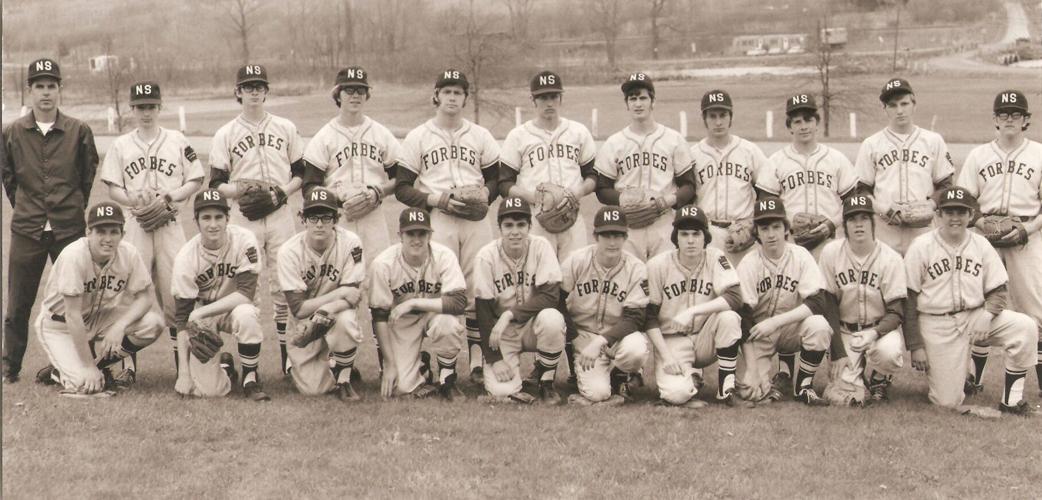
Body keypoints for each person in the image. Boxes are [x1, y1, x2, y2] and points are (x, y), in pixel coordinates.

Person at [395, 69, 500, 384]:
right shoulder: (418, 136)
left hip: (475, 221)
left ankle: (479, 361)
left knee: (480, 286)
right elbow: (402, 187)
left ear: (466, 98)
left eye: (458, 92)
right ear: (436, 96)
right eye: (447, 91)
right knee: (447, 288)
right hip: (439, 219)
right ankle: (444, 361)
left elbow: (497, 179)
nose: (452, 97)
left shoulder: (480, 135)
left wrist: (485, 195)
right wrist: (435, 200)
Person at [1, 58, 99, 383]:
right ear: (29, 91)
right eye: (39, 86)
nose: (46, 93)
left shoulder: (78, 131)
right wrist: (31, 210)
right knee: (18, 303)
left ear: (60, 90)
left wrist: (67, 209)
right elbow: (9, 180)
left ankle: (76, 364)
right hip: (27, 229)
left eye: (51, 86)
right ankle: (9, 367)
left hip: (68, 228)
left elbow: (86, 178)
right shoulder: (12, 132)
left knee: (76, 300)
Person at [99, 81, 204, 378]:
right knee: (133, 291)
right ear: (132, 109)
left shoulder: (177, 139)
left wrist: (171, 196)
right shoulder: (121, 145)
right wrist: (133, 199)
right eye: (141, 107)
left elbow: (196, 179)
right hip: (137, 225)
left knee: (177, 290)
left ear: (160, 108)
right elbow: (112, 188)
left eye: (151, 106)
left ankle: (182, 364)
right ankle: (127, 363)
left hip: (170, 223)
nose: (146, 112)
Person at [904, 187, 1038, 416]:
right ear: (939, 215)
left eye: (961, 212)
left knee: (1025, 327)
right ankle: (957, 376)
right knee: (946, 402)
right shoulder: (921, 246)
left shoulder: (981, 244)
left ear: (970, 216)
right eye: (949, 212)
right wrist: (916, 346)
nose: (955, 218)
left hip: (975, 316)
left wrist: (987, 316)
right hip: (937, 325)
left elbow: (998, 289)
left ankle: (1011, 401)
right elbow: (908, 299)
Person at [209, 64, 306, 377]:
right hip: (244, 215)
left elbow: (301, 173)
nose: (254, 91)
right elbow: (216, 184)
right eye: (247, 86)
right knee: (246, 288)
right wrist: (242, 191)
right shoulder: (225, 133)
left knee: (285, 284)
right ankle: (248, 365)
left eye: (259, 86)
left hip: (280, 213)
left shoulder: (285, 127)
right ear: (238, 92)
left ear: (266, 90)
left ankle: (287, 359)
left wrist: (280, 193)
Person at [957, 90, 1042, 398]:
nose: (1009, 119)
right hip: (984, 237)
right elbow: (965, 199)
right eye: (1004, 114)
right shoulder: (980, 155)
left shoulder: (1039, 154)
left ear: (1026, 120)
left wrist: (1028, 230)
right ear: (995, 119)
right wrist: (981, 224)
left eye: (1016, 114)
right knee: (981, 306)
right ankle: (974, 380)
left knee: (1035, 310)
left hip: (1027, 236)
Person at [34, 202, 163, 397]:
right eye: (100, 231)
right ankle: (61, 371)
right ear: (88, 232)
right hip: (61, 326)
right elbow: (73, 315)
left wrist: (119, 327)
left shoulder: (128, 253)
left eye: (114, 232)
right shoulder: (74, 256)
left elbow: (145, 298)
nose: (107, 239)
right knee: (84, 385)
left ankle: (96, 366)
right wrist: (87, 368)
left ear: (122, 234)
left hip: (99, 318)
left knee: (153, 323)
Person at [171, 190, 268, 401]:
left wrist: (200, 313)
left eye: (218, 217)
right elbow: (180, 319)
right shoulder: (186, 258)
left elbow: (245, 293)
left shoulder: (244, 240)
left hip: (235, 308)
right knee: (209, 391)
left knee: (246, 314)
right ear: (196, 221)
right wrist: (184, 375)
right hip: (202, 321)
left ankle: (250, 377)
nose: (213, 224)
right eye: (206, 217)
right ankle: (226, 369)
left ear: (227, 218)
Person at [735, 196, 833, 406]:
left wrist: (776, 322)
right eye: (764, 228)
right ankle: (774, 377)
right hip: (757, 333)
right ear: (757, 233)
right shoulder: (749, 263)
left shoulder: (801, 256)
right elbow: (743, 316)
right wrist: (751, 369)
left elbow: (817, 302)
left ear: (786, 229)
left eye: (776, 227)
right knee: (750, 391)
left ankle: (803, 387)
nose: (771, 234)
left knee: (819, 326)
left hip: (790, 327)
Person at [645, 205, 746, 408]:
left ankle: (726, 390)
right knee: (675, 395)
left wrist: (692, 311)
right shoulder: (657, 265)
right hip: (672, 340)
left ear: (705, 237)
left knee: (729, 318)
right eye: (684, 234)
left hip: (705, 337)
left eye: (696, 234)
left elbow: (735, 297)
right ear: (676, 238)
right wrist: (665, 356)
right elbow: (648, 316)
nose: (690, 240)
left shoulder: (715, 257)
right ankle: (690, 377)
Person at [301, 66, 401, 263]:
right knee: (340, 275)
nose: (355, 95)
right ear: (338, 95)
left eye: (360, 90)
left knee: (378, 273)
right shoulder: (324, 137)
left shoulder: (381, 134)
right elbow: (309, 187)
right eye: (349, 90)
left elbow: (403, 178)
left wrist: (378, 192)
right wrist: (337, 196)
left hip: (374, 215)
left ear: (367, 95)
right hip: (338, 216)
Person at [595, 72, 696, 262]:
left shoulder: (673, 139)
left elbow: (689, 186)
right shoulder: (615, 143)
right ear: (627, 104)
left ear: (653, 101)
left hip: (664, 222)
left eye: (643, 97)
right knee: (631, 282)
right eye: (632, 99)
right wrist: (623, 200)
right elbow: (602, 188)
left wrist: (666, 201)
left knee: (664, 280)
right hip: (628, 224)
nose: (638, 103)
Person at [277, 187, 367, 401]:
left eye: (326, 217)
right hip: (304, 323)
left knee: (345, 321)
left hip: (336, 313)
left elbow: (353, 296)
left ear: (336, 219)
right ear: (303, 219)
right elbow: (298, 309)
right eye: (313, 217)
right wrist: (340, 294)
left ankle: (344, 378)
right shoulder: (289, 252)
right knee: (314, 390)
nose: (319, 224)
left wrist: (328, 308)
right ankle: (326, 364)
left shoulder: (350, 242)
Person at [473, 196, 565, 404]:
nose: (515, 231)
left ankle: (546, 381)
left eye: (521, 224)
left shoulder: (541, 246)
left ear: (530, 226)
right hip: (502, 333)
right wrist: (494, 360)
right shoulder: (486, 257)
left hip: (534, 324)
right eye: (509, 225)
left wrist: (510, 314)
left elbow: (550, 296)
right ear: (500, 228)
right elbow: (483, 312)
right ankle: (502, 373)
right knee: (501, 391)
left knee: (552, 319)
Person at [369, 207, 468, 400]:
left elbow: (458, 302)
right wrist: (388, 364)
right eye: (410, 233)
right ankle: (422, 367)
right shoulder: (383, 264)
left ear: (430, 235)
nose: (416, 239)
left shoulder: (444, 256)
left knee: (446, 324)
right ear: (400, 235)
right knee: (401, 388)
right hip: (402, 321)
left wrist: (414, 303)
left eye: (422, 233)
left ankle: (447, 380)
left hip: (435, 314)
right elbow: (379, 315)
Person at [818, 195, 907, 406]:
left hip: (879, 331)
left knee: (889, 352)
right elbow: (828, 305)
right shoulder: (831, 253)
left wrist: (874, 333)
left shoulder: (891, 258)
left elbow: (896, 311)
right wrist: (838, 353)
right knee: (844, 392)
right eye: (852, 219)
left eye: (864, 218)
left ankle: (879, 377)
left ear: (873, 223)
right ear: (845, 225)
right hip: (846, 331)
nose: (859, 224)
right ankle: (855, 375)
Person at [499, 70, 597, 260]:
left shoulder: (578, 132)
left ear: (561, 98)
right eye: (543, 97)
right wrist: (532, 197)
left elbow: (593, 176)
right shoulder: (518, 136)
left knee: (574, 276)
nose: (549, 102)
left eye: (553, 96)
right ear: (532, 100)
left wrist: (577, 193)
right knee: (538, 279)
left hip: (572, 216)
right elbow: (504, 183)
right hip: (536, 218)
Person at [559, 206, 651, 406]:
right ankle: (584, 373)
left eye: (618, 235)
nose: (612, 242)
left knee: (636, 349)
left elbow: (634, 317)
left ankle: (620, 374)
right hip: (583, 334)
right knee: (598, 394)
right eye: (606, 235)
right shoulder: (577, 260)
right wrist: (574, 337)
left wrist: (603, 340)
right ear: (595, 236)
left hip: (618, 335)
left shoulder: (636, 268)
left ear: (625, 237)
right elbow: (556, 300)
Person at [854, 78, 954, 254]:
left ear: (914, 104)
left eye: (904, 103)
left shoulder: (933, 141)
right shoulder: (871, 144)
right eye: (892, 105)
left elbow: (945, 185)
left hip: (923, 230)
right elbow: (861, 190)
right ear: (884, 109)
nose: (899, 110)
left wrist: (929, 206)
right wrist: (883, 209)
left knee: (924, 280)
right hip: (884, 229)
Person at [758, 93, 858, 258]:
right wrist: (788, 223)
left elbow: (852, 202)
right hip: (789, 243)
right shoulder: (776, 162)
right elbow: (766, 205)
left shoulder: (836, 159)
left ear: (817, 123)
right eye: (797, 121)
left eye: (808, 120)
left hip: (829, 243)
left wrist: (832, 224)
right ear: (789, 126)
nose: (803, 126)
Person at [689, 89, 773, 265]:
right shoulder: (693, 155)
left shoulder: (749, 151)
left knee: (747, 288)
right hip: (708, 233)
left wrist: (754, 227)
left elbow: (768, 192)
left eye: (723, 115)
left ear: (731, 117)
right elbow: (688, 198)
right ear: (704, 118)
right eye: (712, 116)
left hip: (744, 231)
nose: (718, 122)